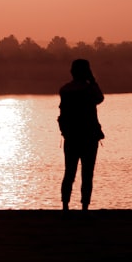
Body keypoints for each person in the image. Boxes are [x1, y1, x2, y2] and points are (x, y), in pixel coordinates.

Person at [57, 58, 105, 211]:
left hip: (71, 137)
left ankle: (65, 206)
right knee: (87, 174)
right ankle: (84, 207)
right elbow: (100, 98)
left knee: (69, 172)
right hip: (89, 137)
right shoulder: (89, 89)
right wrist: (93, 80)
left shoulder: (65, 90)